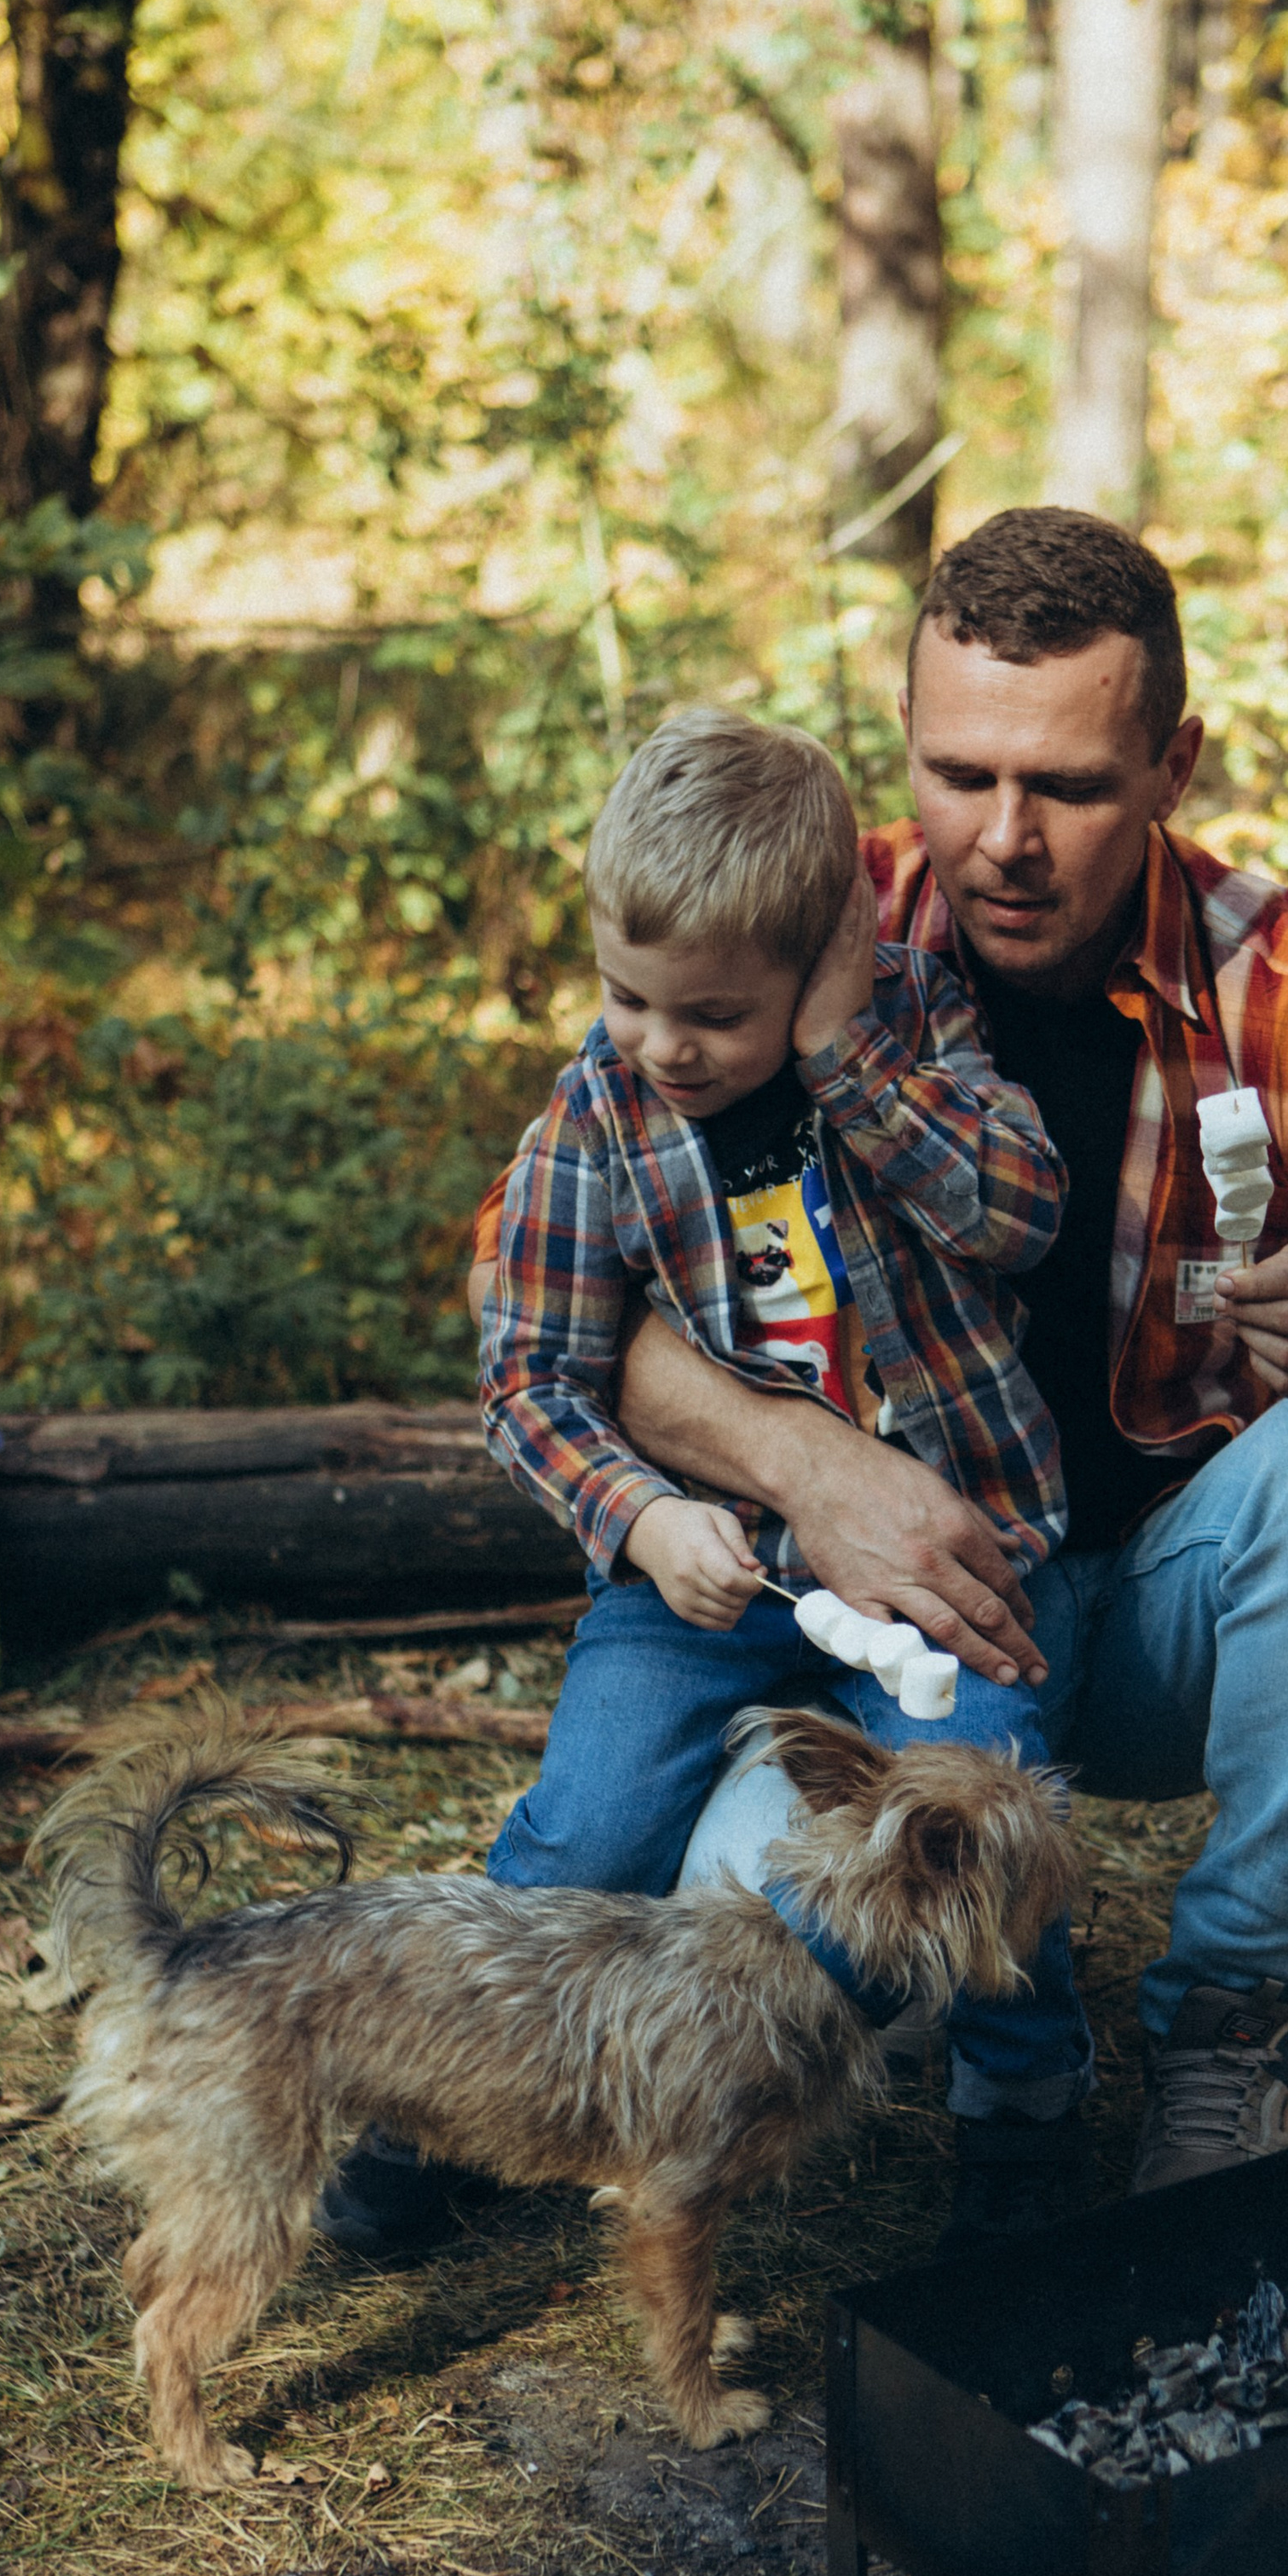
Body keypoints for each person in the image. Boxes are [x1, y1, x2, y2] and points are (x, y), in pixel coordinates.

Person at [525, 512, 1288, 2220]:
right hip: (869, 1641)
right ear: (903, 748)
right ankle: (933, 2003)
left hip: (1157, 1618)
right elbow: (557, 1303)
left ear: (1171, 763)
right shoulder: (771, 921)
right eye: (955, 774)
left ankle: (1229, 2022)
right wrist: (806, 1466)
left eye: (1067, 788)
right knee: (746, 1936)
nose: (1001, 841)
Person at [321, 705, 1090, 2261]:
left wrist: (840, 1054)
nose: (664, 1043)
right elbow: (529, 1376)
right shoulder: (598, 1115)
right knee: (583, 1829)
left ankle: (1021, 2117)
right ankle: (448, 2100)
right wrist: (641, 1514)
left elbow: (1020, 1213)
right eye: (626, 994)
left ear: (817, 964)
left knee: (987, 1814)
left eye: (717, 1016)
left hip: (942, 1572)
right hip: (701, 1579)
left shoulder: (914, 1038)